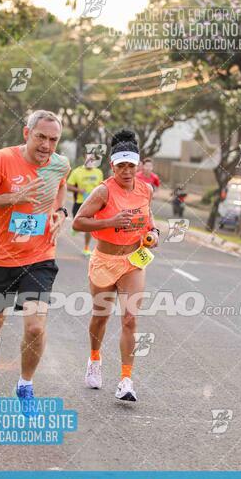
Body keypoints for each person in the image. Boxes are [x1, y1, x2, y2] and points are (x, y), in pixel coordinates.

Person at [0, 110, 70, 401]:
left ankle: (25, 385)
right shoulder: (1, 159)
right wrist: (13, 198)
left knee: (36, 326)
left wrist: (60, 213)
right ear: (27, 134)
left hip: (39, 255)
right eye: (41, 137)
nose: (46, 146)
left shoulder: (60, 164)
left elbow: (60, 189)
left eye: (53, 140)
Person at [73, 129, 160, 402]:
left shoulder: (146, 190)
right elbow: (78, 222)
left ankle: (126, 380)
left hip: (133, 260)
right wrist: (109, 222)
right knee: (101, 316)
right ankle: (95, 360)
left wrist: (153, 233)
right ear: (112, 165)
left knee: (130, 319)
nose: (126, 171)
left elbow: (150, 220)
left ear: (137, 165)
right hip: (104, 260)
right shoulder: (103, 191)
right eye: (121, 166)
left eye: (131, 166)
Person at [66, 153, 103, 256]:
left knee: (89, 226)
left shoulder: (98, 172)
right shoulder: (77, 172)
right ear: (85, 160)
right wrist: (78, 190)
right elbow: (68, 186)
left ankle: (86, 248)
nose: (90, 162)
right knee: (76, 222)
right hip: (79, 202)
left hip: (93, 204)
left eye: (92, 160)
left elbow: (102, 186)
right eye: (88, 159)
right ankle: (75, 227)